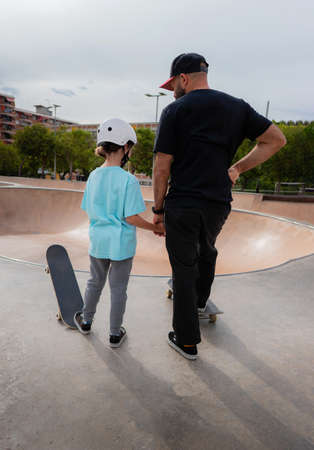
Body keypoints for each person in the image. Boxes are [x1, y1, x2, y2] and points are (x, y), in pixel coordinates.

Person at [153, 53, 286, 360]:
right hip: (218, 203)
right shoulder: (237, 107)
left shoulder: (175, 110)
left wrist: (158, 210)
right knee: (207, 249)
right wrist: (237, 168)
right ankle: (199, 303)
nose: (172, 91)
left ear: (184, 78)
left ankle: (186, 340)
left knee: (183, 267)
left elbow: (162, 165)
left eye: (173, 84)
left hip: (184, 202)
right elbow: (276, 140)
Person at [74, 118, 164, 347]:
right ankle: (115, 334)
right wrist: (156, 227)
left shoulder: (93, 176)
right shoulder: (128, 180)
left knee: (94, 282)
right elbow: (131, 217)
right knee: (118, 289)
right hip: (121, 245)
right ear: (125, 147)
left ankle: (86, 322)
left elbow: (88, 208)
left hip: (98, 241)